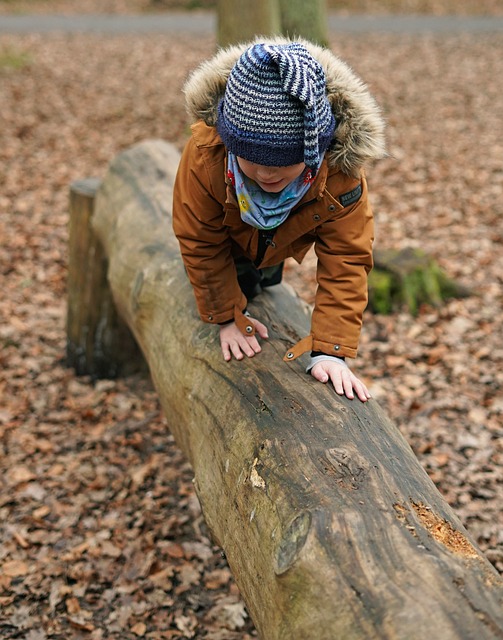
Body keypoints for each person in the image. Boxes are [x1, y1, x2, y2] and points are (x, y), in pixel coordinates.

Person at [173, 38, 386, 402]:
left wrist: (330, 349)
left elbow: (347, 259)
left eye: (283, 163)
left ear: (316, 149)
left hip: (281, 240)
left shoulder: (340, 174)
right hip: (230, 235)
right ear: (230, 142)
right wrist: (226, 316)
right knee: (238, 279)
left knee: (264, 279)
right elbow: (199, 239)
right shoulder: (206, 156)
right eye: (251, 159)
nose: (266, 173)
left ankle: (259, 271)